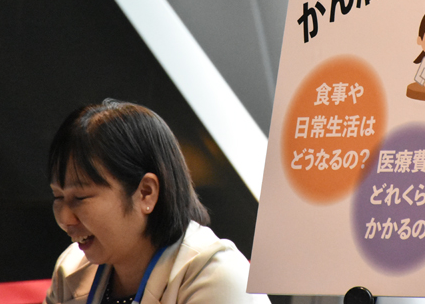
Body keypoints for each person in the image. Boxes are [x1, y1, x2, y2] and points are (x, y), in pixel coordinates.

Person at [45, 99, 270, 304]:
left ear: (146, 192)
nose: (65, 219)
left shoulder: (216, 277)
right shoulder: (70, 269)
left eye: (80, 198)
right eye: (58, 197)